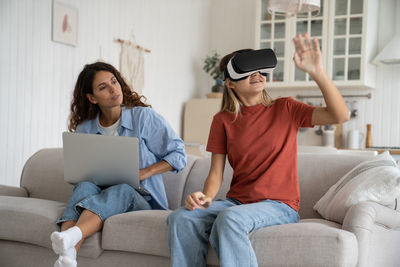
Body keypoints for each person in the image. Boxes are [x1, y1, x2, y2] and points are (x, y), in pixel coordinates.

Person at [166, 33, 350, 267]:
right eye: (246, 69)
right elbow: (215, 173)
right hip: (237, 203)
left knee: (230, 219)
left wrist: (318, 73)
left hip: (279, 206)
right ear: (230, 81)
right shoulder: (223, 120)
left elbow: (340, 115)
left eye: (260, 69)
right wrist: (206, 198)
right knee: (181, 218)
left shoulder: (286, 108)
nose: (257, 74)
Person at [50, 62, 186, 267]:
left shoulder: (143, 118)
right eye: (103, 87)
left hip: (141, 199)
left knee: (122, 189)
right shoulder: (85, 128)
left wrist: (145, 172)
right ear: (92, 98)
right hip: (99, 194)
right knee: (84, 186)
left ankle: (71, 236)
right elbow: (80, 172)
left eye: (114, 82)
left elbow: (179, 154)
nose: (114, 89)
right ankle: (68, 257)